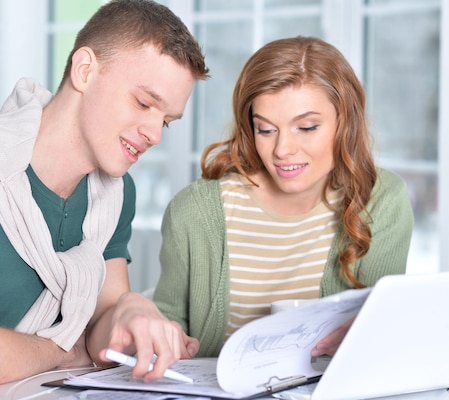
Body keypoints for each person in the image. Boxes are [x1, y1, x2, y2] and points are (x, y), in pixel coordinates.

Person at [0, 1, 209, 400]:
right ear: (85, 70)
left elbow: (99, 334)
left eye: (166, 121)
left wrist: (135, 314)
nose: (153, 134)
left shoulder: (113, 195)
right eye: (144, 103)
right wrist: (63, 350)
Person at [153, 36, 413, 358]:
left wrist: (368, 332)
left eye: (306, 127)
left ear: (344, 123)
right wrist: (167, 340)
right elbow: (166, 322)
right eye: (266, 129)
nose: (282, 150)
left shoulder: (380, 200)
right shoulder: (193, 211)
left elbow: (382, 327)